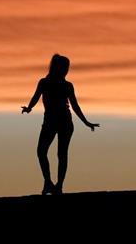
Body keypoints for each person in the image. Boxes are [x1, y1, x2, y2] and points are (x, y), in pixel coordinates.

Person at [21, 54, 99, 194]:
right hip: (50, 121)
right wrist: (29, 108)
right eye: (64, 67)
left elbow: (75, 106)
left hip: (64, 122)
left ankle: (59, 186)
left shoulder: (67, 85)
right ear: (56, 67)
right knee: (41, 151)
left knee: (61, 154)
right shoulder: (44, 82)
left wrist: (86, 122)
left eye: (67, 67)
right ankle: (48, 182)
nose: (66, 69)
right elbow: (36, 96)